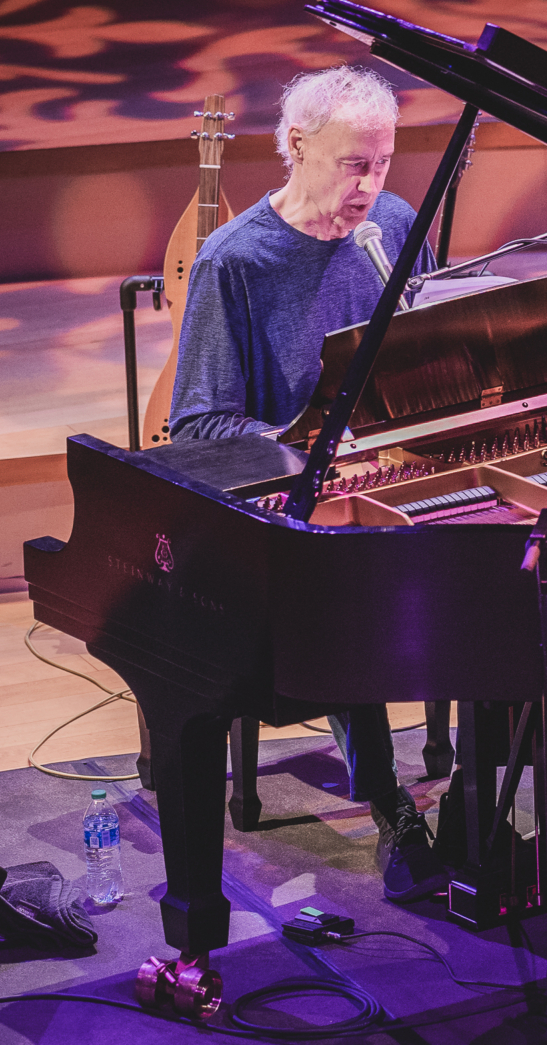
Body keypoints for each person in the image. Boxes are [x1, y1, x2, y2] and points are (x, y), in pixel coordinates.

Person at [169, 64, 445, 903]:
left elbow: (446, 336)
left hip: (400, 473)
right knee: (346, 587)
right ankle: (393, 807)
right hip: (301, 501)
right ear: (296, 146)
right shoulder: (236, 261)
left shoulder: (393, 225)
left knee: (512, 565)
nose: (371, 185)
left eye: (384, 163)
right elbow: (198, 425)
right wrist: (302, 449)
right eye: (353, 163)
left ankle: (486, 805)